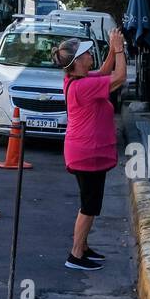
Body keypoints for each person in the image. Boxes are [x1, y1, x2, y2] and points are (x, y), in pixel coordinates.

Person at [53, 28, 127, 270]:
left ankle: (83, 247)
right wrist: (118, 49)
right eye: (86, 55)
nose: (90, 57)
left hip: (85, 152)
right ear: (77, 63)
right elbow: (119, 78)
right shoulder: (82, 87)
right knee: (89, 205)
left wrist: (111, 50)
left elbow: (105, 72)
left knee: (91, 202)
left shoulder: (79, 80)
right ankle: (75, 254)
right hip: (87, 154)